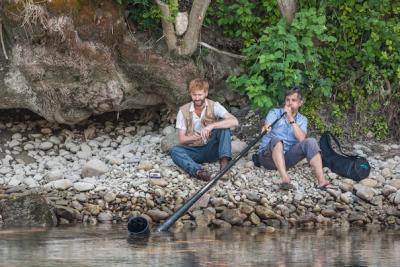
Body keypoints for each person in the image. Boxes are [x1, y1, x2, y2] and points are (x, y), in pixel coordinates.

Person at [257, 86, 334, 190]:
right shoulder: (275, 113)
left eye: (293, 100)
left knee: (311, 141)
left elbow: (302, 139)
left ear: (300, 103)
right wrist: (266, 128)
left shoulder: (302, 120)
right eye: (287, 100)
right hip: (267, 158)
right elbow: (267, 125)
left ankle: (321, 181)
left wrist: (290, 118)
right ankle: (285, 179)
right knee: (277, 140)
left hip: (286, 159)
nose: (289, 103)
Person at [170, 79, 239, 181]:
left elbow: (234, 121)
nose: (197, 98)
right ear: (190, 94)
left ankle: (224, 167)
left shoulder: (214, 105)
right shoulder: (183, 111)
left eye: (200, 95)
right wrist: (194, 138)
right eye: (194, 95)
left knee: (224, 129)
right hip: (195, 151)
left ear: (206, 93)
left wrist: (211, 126)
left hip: (214, 150)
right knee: (175, 150)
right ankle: (200, 173)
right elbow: (182, 139)